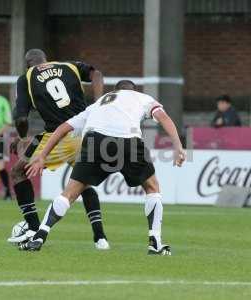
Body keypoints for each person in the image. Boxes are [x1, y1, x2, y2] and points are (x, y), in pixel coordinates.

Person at [21, 80, 186, 255]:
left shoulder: (98, 103)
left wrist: (42, 156)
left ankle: (39, 235)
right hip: (128, 140)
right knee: (152, 187)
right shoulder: (142, 98)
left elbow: (63, 128)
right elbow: (163, 117)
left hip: (94, 141)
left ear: (115, 91)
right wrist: (178, 146)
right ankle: (155, 242)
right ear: (133, 90)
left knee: (69, 193)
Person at [8, 49, 110, 250]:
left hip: (59, 136)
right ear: (46, 59)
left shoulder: (26, 78)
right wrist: (98, 105)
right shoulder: (69, 66)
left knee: (18, 172)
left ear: (28, 65)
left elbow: (20, 118)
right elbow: (96, 74)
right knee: (82, 182)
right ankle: (100, 238)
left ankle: (32, 227)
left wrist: (22, 138)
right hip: (85, 133)